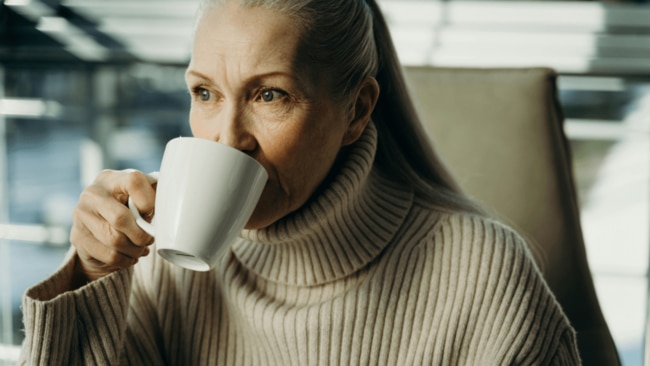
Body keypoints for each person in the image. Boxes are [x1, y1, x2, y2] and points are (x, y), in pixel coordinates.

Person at [19, 0, 581, 364]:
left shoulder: (484, 277)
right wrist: (90, 277)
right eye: (205, 94)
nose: (226, 137)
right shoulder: (164, 266)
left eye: (270, 95)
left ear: (357, 111)